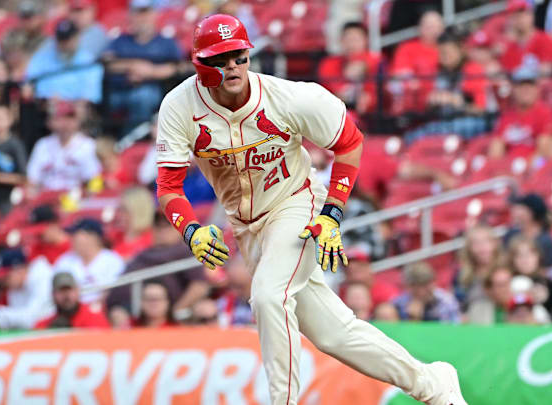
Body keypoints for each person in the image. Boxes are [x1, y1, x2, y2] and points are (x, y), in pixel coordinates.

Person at [155, 14, 467, 405]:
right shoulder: (180, 106)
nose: (232, 66)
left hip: (295, 204)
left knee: (269, 297)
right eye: (219, 59)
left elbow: (349, 141)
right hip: (248, 226)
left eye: (238, 55)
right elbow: (168, 186)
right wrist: (190, 230)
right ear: (199, 63)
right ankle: (432, 383)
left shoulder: (289, 97)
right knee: (335, 334)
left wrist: (331, 212)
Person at [106, 212, 209, 323]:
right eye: (158, 226)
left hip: (163, 315)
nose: (162, 230)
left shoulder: (185, 252)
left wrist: (176, 311)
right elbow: (123, 280)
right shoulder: (144, 253)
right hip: (130, 312)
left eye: (168, 226)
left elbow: (199, 286)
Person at [103, 0, 182, 132]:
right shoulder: (120, 41)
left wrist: (150, 72)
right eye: (138, 13)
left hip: (153, 89)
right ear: (130, 16)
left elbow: (178, 67)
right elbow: (108, 64)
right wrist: (133, 66)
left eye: (146, 13)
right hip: (120, 90)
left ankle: (134, 137)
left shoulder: (166, 43)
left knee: (142, 96)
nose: (142, 18)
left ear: (154, 14)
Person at [405, 28, 491, 142]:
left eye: (448, 52)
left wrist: (457, 102)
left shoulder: (473, 71)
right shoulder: (438, 72)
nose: (444, 57)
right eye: (441, 53)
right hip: (443, 122)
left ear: (461, 50)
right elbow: (423, 107)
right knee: (410, 138)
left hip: (471, 123)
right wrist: (431, 101)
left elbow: (482, 110)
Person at [488, 58, 552, 160]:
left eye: (530, 85)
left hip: (532, 169)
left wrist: (522, 170)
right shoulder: (507, 115)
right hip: (507, 168)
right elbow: (497, 146)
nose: (525, 90)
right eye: (520, 85)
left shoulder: (545, 113)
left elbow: (543, 149)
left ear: (537, 88)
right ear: (513, 89)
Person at [26, 101, 101, 191]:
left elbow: (94, 180)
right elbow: (32, 179)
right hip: (45, 197)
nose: (65, 123)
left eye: (70, 118)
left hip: (76, 199)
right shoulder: (42, 145)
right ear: (50, 122)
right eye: (60, 118)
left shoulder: (88, 145)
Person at [25, 19, 103, 103]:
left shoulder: (88, 62)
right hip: (43, 108)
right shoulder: (41, 58)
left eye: (68, 39)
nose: (64, 44)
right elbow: (29, 84)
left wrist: (65, 105)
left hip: (73, 110)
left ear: (77, 38)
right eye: (61, 39)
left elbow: (89, 97)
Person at [53, 218, 125, 305]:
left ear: (92, 238)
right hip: (69, 310)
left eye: (75, 234)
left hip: (102, 312)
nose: (71, 239)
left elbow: (113, 292)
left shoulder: (112, 260)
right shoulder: (65, 260)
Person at [317, 22, 382, 115]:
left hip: (372, 115)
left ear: (366, 40)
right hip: (337, 113)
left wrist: (364, 65)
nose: (351, 44)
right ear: (341, 41)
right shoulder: (329, 63)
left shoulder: (377, 60)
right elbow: (335, 93)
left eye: (356, 39)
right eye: (348, 39)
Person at [388, 11, 445, 112]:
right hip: (413, 107)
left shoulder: (447, 49)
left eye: (436, 27)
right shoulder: (407, 48)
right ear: (420, 28)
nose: (433, 31)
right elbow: (401, 77)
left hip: (440, 104)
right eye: (429, 27)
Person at [0, 248, 54, 329]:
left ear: (19, 270)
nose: (3, 281)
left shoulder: (43, 277)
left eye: (6, 276)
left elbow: (31, 320)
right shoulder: (15, 287)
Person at [499, 0, 552, 75]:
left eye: (524, 14)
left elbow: (547, 71)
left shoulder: (545, 39)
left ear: (531, 15)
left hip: (539, 85)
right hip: (517, 85)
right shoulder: (510, 47)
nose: (520, 19)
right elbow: (506, 73)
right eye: (516, 16)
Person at [455, 225, 507, 310]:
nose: (482, 247)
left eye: (486, 241)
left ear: (495, 244)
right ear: (469, 248)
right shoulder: (462, 275)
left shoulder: (506, 270)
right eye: (476, 243)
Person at [34, 272, 110, 329]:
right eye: (61, 291)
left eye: (69, 290)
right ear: (53, 294)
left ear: (77, 291)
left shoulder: (94, 319)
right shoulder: (44, 325)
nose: (66, 295)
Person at [393, 262, 461, 323]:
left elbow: (454, 331)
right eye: (416, 288)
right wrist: (413, 319)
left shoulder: (447, 301)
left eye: (425, 285)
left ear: (433, 282)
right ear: (408, 286)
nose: (421, 292)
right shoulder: (399, 303)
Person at [504, 193, 552, 268]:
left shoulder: (546, 242)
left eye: (521, 208)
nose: (516, 212)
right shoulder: (511, 235)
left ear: (531, 212)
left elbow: (549, 268)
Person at [507, 235, 552, 312]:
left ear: (538, 256)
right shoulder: (505, 284)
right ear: (512, 260)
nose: (525, 260)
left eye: (529, 254)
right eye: (519, 255)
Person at [2, 0, 47, 80]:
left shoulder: (46, 41)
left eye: (30, 16)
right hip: (12, 78)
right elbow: (8, 58)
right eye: (23, 17)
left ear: (40, 18)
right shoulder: (12, 36)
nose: (26, 21)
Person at [111, 187, 155, 260]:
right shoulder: (113, 238)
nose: (119, 214)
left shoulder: (154, 239)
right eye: (119, 209)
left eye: (124, 210)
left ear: (138, 211)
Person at [216, 256, 254, 326]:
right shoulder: (226, 303)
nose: (234, 292)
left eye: (240, 287)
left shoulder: (268, 306)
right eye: (231, 286)